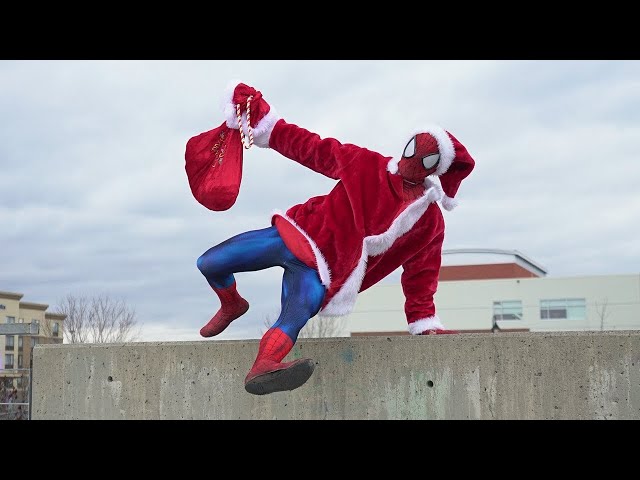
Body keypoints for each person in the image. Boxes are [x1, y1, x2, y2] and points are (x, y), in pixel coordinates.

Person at [193, 82, 476, 395]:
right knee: (209, 262)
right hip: (297, 234)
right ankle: (232, 303)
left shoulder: (428, 220)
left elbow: (422, 272)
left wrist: (423, 321)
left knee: (293, 316)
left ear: (435, 169)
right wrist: (266, 123)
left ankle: (265, 366)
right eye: (412, 149)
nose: (411, 160)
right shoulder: (367, 165)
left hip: (323, 273)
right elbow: (314, 148)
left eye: (425, 160)